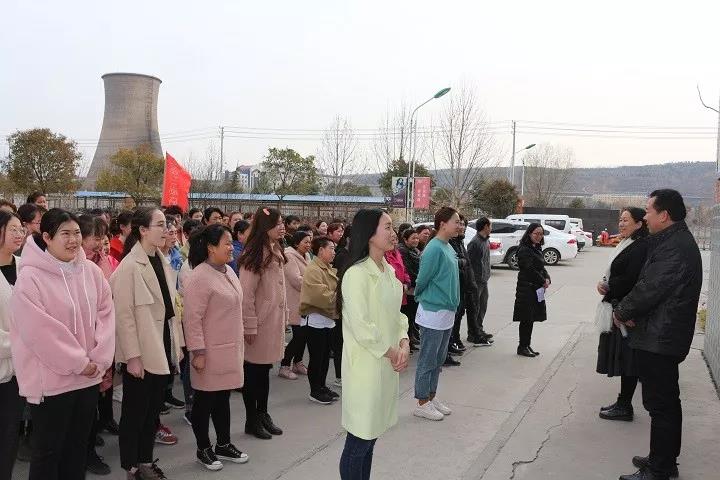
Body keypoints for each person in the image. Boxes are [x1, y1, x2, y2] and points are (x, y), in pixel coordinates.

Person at [10, 208, 115, 480]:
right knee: (48, 452)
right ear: (46, 237)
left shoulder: (91, 272)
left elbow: (106, 315)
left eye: (77, 233)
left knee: (76, 449)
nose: (73, 240)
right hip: (52, 384)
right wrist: (79, 362)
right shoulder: (30, 278)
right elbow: (40, 332)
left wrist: (100, 358)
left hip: (88, 378)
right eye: (65, 234)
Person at [615, 190, 702, 480]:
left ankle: (660, 469)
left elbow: (649, 289)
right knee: (664, 403)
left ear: (664, 215)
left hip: (660, 338)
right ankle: (663, 459)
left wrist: (622, 310)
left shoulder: (675, 247)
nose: (645, 217)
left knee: (661, 405)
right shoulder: (672, 241)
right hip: (661, 335)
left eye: (649, 211)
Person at [111, 207, 185, 480]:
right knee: (135, 413)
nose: (167, 230)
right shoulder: (129, 266)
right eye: (160, 225)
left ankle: (144, 461)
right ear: (142, 230)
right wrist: (132, 356)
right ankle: (131, 467)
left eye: (167, 225)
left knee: (152, 411)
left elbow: (170, 310)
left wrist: (177, 346)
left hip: (161, 344)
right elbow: (123, 316)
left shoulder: (161, 260)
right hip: (141, 350)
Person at [337, 209, 409, 480]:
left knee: (371, 439)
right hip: (366, 369)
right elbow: (362, 327)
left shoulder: (388, 271)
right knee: (359, 441)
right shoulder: (356, 275)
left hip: (387, 365)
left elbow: (397, 316)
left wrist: (403, 342)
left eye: (393, 227)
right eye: (387, 227)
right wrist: (394, 353)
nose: (393, 233)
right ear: (369, 234)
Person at [183, 224, 249, 471]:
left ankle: (223, 444)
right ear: (211, 248)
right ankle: (203, 448)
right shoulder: (199, 277)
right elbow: (192, 319)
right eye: (227, 243)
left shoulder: (228, 270)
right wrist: (198, 351)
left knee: (222, 398)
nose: (232, 248)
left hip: (229, 349)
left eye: (232, 242)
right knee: (204, 400)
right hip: (209, 352)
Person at [237, 207, 287, 440]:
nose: (282, 227)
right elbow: (246, 294)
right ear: (265, 226)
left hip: (271, 323)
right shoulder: (255, 253)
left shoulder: (275, 249)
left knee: (264, 371)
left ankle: (263, 413)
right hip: (258, 324)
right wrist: (249, 325)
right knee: (253, 373)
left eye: (282, 222)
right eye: (277, 223)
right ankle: (252, 419)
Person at [594, 208, 649, 423]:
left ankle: (625, 405)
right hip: (620, 306)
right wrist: (604, 283)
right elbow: (615, 274)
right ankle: (623, 402)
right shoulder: (628, 243)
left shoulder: (640, 247)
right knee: (626, 360)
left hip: (626, 311)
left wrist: (612, 291)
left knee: (628, 361)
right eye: (620, 220)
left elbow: (631, 280)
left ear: (639, 224)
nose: (621, 224)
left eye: (626, 220)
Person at [412, 207, 461, 421]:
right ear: (443, 224)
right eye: (456, 222)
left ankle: (431, 396)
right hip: (432, 310)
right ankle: (422, 402)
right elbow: (422, 279)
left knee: (439, 358)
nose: (459, 226)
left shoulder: (448, 246)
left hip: (446, 311)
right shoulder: (433, 248)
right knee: (428, 358)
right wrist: (420, 295)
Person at [78, 214, 117, 475]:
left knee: (93, 402)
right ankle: (85, 453)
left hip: (100, 343)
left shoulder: (101, 262)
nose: (100, 242)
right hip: (81, 348)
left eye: (102, 237)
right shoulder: (76, 266)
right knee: (84, 409)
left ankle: (88, 448)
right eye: (95, 237)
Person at [0, 211, 25, 480]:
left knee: (9, 437)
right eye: (13, 229)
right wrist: (23, 341)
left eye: (21, 229)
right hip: (4, 365)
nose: (19, 234)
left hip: (19, 372)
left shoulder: (25, 267)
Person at [299, 237, 340, 405]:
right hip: (315, 318)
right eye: (331, 248)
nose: (334, 252)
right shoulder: (313, 269)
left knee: (324, 357)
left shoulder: (326, 267)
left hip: (326, 318)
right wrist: (340, 298)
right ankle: (315, 390)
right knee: (317, 357)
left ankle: (321, 386)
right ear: (321, 250)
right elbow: (320, 295)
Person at [513, 223, 551, 358]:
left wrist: (547, 278)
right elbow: (529, 269)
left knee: (531, 318)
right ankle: (522, 346)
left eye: (541, 234)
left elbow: (541, 267)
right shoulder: (524, 249)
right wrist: (542, 281)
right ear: (529, 234)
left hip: (535, 288)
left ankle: (527, 345)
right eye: (536, 233)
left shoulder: (536, 248)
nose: (539, 236)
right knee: (526, 319)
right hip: (526, 288)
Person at [279, 231, 311, 380]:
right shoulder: (289, 256)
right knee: (299, 335)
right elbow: (296, 280)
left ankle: (298, 362)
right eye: (305, 242)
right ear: (297, 243)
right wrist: (313, 282)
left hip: (305, 300)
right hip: (294, 300)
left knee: (304, 335)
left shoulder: (307, 255)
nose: (308, 245)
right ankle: (284, 365)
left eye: (309, 242)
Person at [447, 215, 477, 363]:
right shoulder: (446, 243)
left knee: (458, 315)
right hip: (455, 286)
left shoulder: (459, 241)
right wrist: (461, 263)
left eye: (463, 224)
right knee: (452, 317)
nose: (462, 227)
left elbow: (467, 264)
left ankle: (454, 341)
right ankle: (448, 346)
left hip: (463, 285)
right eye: (459, 224)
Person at [466, 217, 495, 347]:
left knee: (482, 305)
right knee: (475, 307)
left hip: (484, 279)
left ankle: (479, 329)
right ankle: (473, 333)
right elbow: (469, 263)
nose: (491, 228)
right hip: (476, 281)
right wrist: (472, 280)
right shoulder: (475, 242)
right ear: (485, 226)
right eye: (490, 225)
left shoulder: (486, 240)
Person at [398, 228, 421, 351]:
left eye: (417, 238)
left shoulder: (416, 251)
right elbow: (408, 270)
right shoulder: (403, 251)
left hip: (414, 287)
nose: (416, 240)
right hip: (409, 288)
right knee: (407, 315)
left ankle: (411, 338)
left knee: (412, 315)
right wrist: (418, 280)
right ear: (405, 240)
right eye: (413, 238)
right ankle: (407, 340)